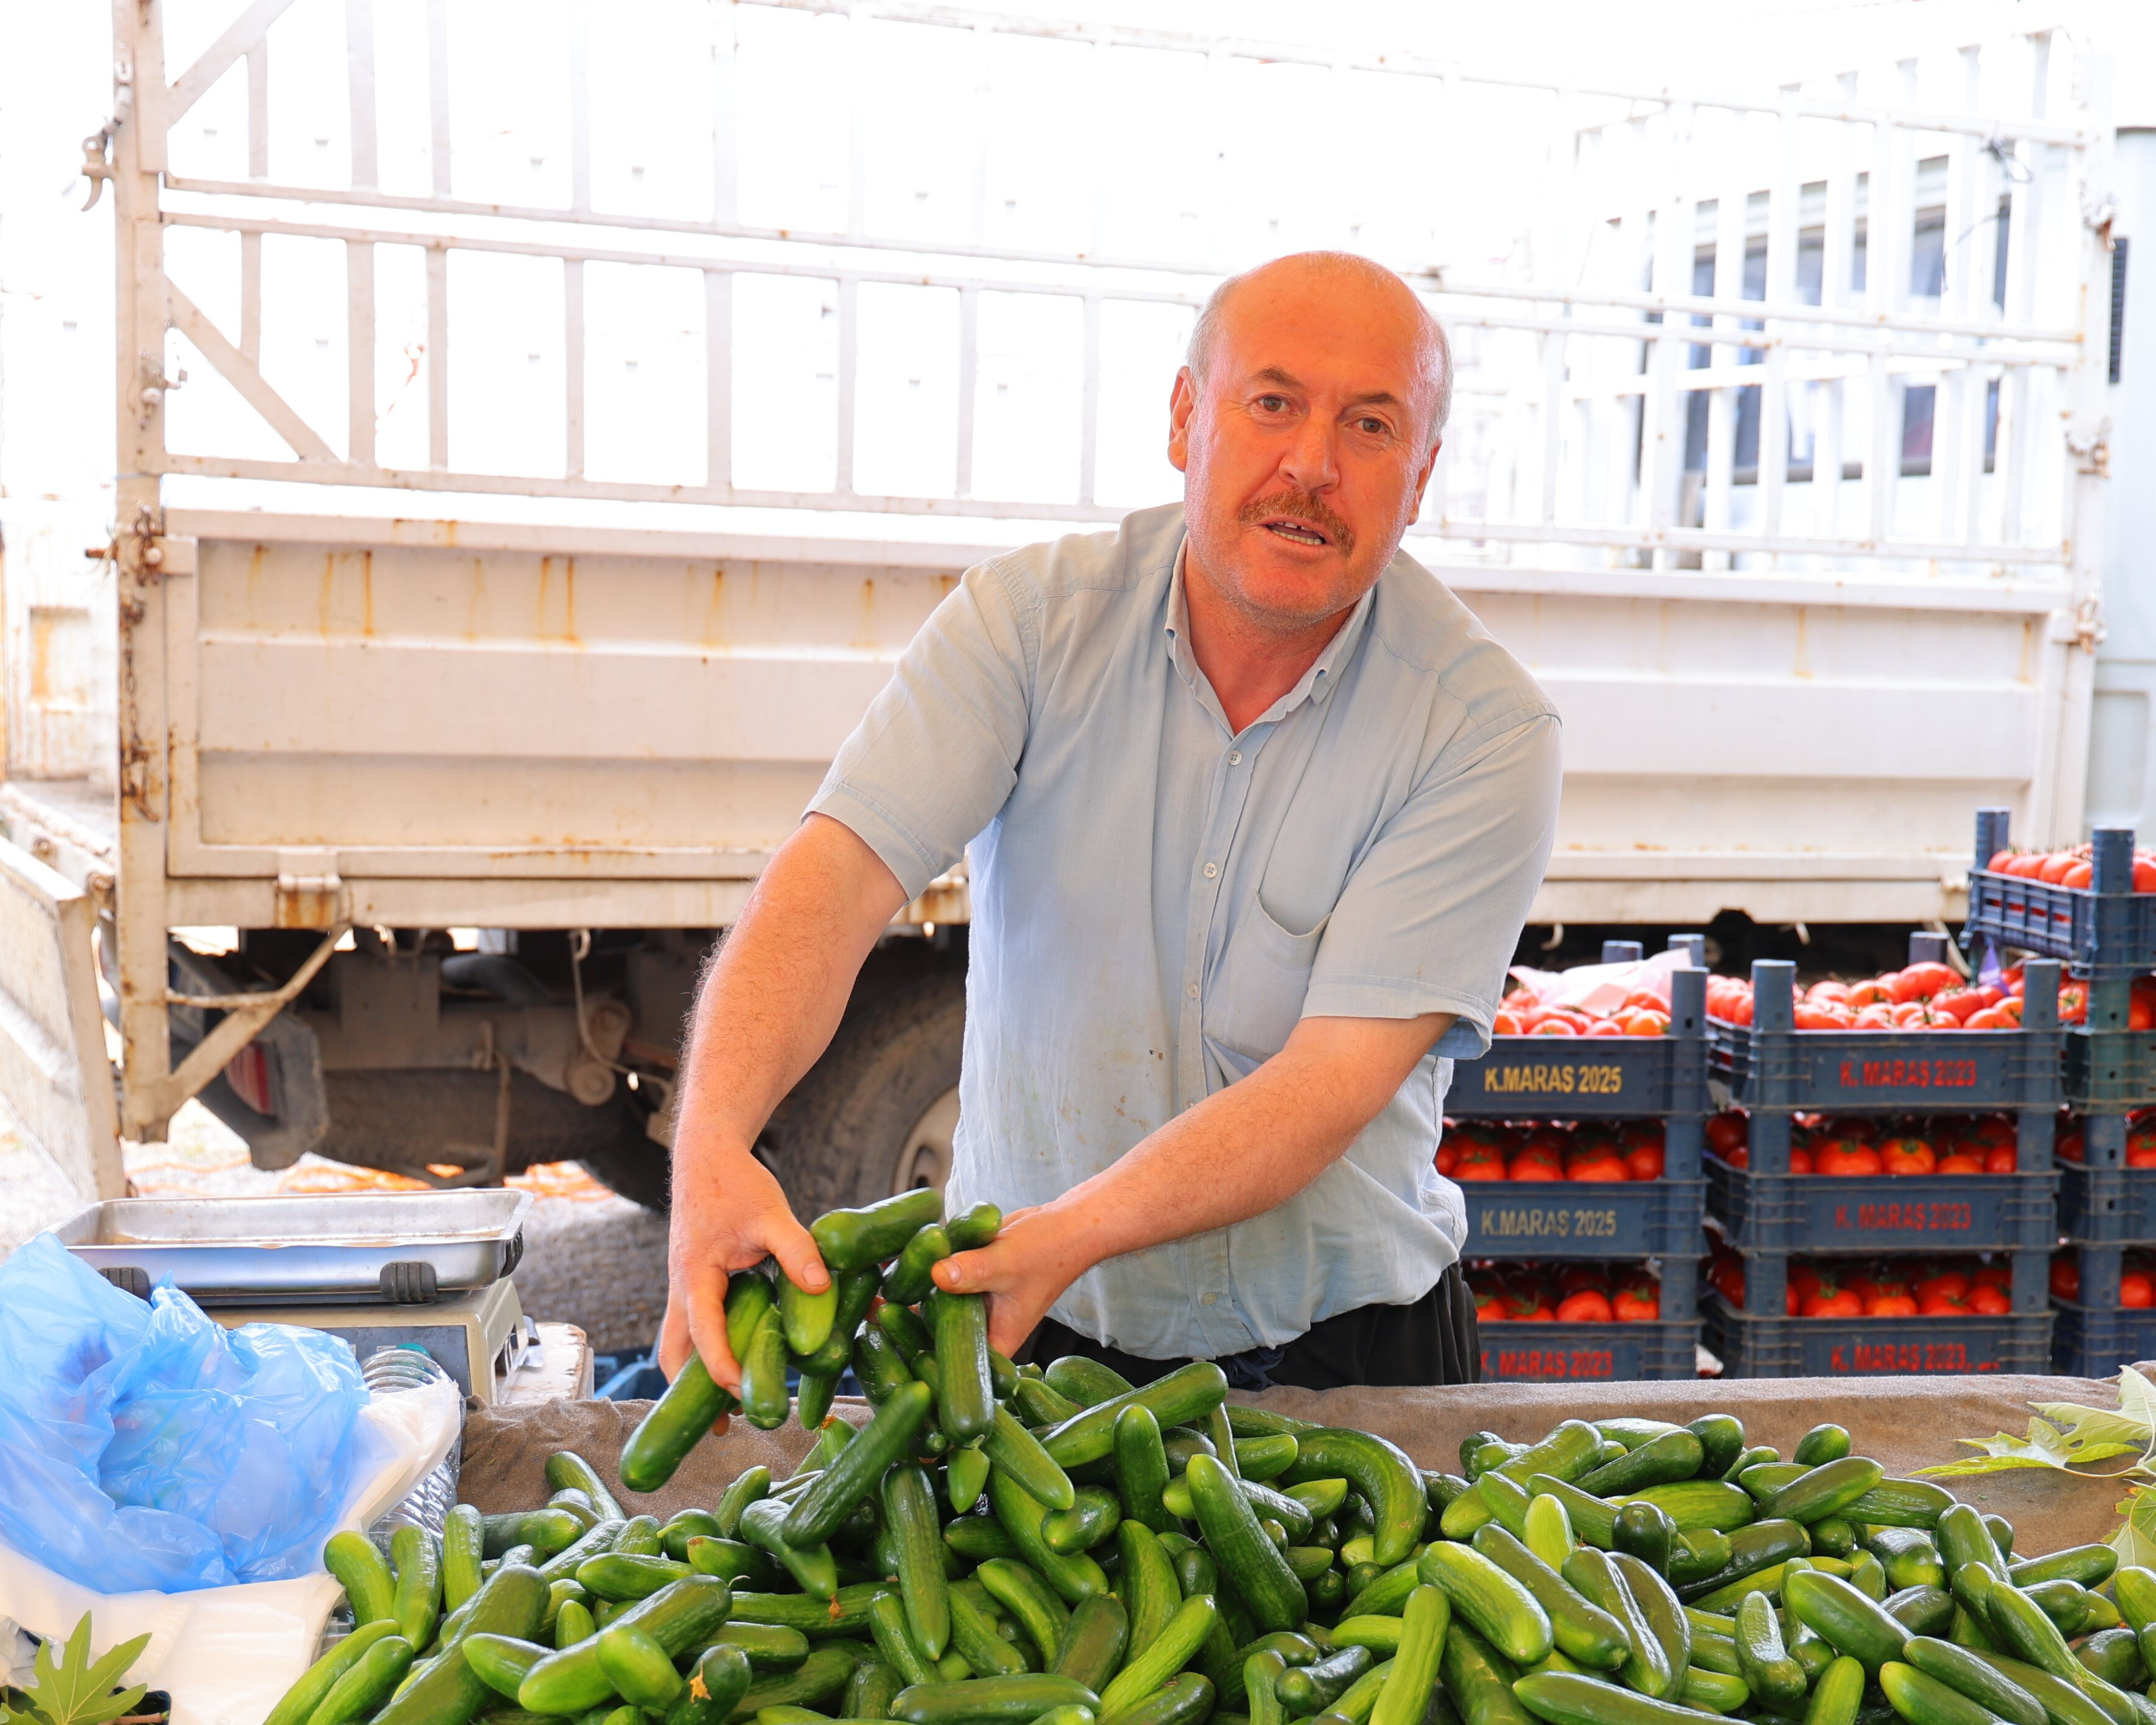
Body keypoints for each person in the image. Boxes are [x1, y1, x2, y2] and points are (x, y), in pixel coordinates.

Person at [660, 248, 1562, 1394]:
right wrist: (711, 1144)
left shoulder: (1482, 729)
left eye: (1372, 427)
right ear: (1188, 419)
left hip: (1353, 1353)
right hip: (1040, 1326)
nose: (1312, 465)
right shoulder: (1026, 626)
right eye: (1273, 402)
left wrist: (1073, 1229)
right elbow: (833, 881)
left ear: (1420, 477)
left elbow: (1328, 1083)